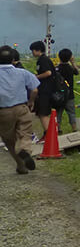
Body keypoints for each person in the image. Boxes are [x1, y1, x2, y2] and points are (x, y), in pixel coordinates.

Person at [0, 45, 39, 174]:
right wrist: (31, 101)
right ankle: (25, 150)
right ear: (13, 59)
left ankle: (21, 166)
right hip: (21, 107)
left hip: (3, 111)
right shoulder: (22, 72)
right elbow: (34, 89)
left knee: (9, 140)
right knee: (25, 133)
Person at [29, 40, 57, 138]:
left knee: (43, 113)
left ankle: (48, 134)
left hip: (45, 90)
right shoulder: (42, 59)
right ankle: (49, 133)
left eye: (33, 50)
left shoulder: (43, 60)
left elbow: (48, 73)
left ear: (38, 50)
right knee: (41, 112)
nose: (32, 53)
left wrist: (36, 77)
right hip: (44, 90)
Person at [55, 48, 79, 133]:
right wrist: (72, 62)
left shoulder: (57, 69)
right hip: (69, 95)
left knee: (58, 113)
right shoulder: (70, 68)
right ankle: (74, 128)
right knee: (71, 113)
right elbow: (77, 72)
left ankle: (58, 129)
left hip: (59, 95)